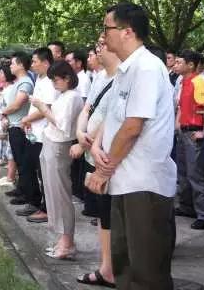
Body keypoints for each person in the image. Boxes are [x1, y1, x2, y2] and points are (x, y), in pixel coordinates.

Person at [87, 3, 176, 290]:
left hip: (144, 183)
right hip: (124, 180)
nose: (103, 35)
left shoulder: (147, 67)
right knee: (124, 264)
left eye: (107, 28)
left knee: (146, 271)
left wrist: (103, 170)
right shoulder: (125, 71)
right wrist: (97, 146)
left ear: (127, 32)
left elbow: (132, 127)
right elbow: (112, 118)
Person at [73, 38, 120, 288]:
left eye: (103, 43)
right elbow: (87, 109)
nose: (98, 48)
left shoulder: (124, 77)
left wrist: (84, 143)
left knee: (111, 214)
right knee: (102, 214)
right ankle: (107, 267)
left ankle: (111, 269)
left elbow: (112, 118)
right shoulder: (100, 76)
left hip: (109, 158)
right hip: (94, 155)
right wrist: (80, 133)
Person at [31, 61, 84, 260]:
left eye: (56, 80)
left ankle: (67, 241)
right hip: (51, 143)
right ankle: (63, 239)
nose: (54, 84)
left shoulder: (73, 97)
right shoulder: (64, 95)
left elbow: (62, 125)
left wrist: (42, 107)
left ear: (67, 78)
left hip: (59, 146)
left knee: (60, 194)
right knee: (52, 194)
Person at [17, 47, 57, 223]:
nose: (31, 65)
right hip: (33, 133)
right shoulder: (39, 79)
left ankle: (47, 209)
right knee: (28, 169)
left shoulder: (50, 82)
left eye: (34, 61)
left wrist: (26, 119)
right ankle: (34, 202)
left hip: (43, 135)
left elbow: (45, 108)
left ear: (46, 62)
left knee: (44, 175)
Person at [174, 50, 204, 229]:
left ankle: (203, 214)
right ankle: (187, 207)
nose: (175, 64)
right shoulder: (183, 82)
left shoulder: (199, 82)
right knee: (183, 171)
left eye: (179, 62)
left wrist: (203, 132)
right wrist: (177, 125)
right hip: (183, 132)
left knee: (196, 174)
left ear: (191, 65)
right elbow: (181, 107)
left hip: (194, 133)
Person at [0, 52, 34, 205]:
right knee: (19, 161)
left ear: (21, 65)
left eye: (13, 63)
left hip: (20, 127)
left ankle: (27, 195)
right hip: (14, 125)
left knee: (23, 163)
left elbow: (17, 104)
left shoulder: (25, 82)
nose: (10, 66)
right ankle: (21, 188)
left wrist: (3, 112)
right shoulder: (19, 81)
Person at [0, 66, 17, 187]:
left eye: (2, 73)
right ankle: (5, 164)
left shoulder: (12, 88)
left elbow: (11, 106)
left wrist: (5, 117)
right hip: (1, 118)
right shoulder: (3, 87)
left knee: (9, 146)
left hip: (7, 120)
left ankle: (11, 175)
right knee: (2, 142)